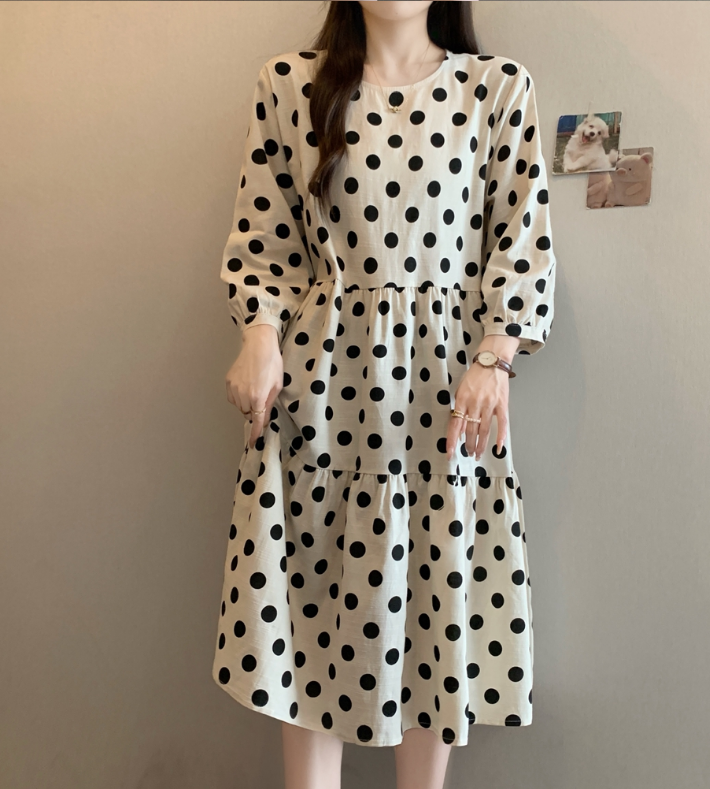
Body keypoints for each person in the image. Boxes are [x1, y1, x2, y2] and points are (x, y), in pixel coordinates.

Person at [213, 2, 557, 787]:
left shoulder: (497, 89)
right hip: (320, 394)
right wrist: (258, 335)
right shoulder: (290, 85)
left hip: (447, 395)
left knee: (438, 601)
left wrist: (496, 355)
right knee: (306, 611)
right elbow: (264, 241)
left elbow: (522, 236)